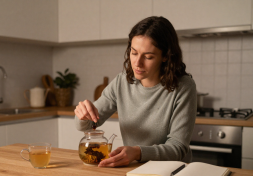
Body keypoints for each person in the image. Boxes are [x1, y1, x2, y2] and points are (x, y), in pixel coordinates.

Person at [74, 16, 197, 167]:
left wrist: (138, 152)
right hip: (133, 169)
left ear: (165, 56)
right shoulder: (121, 82)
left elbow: (178, 148)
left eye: (148, 56)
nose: (137, 63)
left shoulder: (183, 87)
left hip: (172, 172)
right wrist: (82, 114)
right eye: (134, 53)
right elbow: (87, 125)